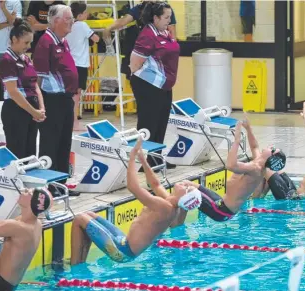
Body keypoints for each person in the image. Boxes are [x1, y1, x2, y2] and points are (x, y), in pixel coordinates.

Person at [70, 138, 201, 265]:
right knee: (90, 215)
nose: (184, 184)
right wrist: (143, 161)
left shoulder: (164, 207)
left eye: (186, 188)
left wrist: (131, 158)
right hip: (122, 242)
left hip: (122, 251)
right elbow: (155, 184)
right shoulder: (171, 203)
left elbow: (133, 187)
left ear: (183, 197)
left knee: (79, 219)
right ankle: (81, 262)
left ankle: (74, 271)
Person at [184, 118, 287, 222]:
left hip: (221, 210)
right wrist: (248, 128)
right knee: (188, 184)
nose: (271, 147)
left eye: (272, 150)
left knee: (183, 189)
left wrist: (237, 140)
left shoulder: (255, 168)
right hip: (221, 203)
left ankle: (174, 224)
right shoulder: (260, 163)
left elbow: (230, 165)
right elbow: (254, 146)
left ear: (271, 158)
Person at [129, 1, 179, 169]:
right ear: (155, 18)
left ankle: (155, 158)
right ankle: (144, 161)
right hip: (148, 86)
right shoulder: (147, 35)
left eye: (170, 17)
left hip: (163, 86)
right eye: (166, 17)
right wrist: (149, 77)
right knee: (149, 123)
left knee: (161, 122)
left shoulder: (164, 32)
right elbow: (134, 64)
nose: (169, 20)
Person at [33, 5, 78, 187]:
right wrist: (41, 106)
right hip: (52, 100)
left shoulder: (62, 41)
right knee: (51, 142)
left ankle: (61, 183)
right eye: (68, 19)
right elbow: (38, 79)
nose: (72, 22)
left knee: (64, 141)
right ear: (56, 21)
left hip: (65, 99)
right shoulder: (46, 42)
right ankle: (50, 184)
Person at [0, 19, 46, 159]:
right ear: (14, 39)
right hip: (16, 110)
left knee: (30, 154)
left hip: (32, 111)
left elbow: (35, 84)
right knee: (17, 155)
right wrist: (34, 111)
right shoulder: (7, 60)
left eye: (30, 42)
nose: (29, 46)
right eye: (26, 42)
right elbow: (13, 91)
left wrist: (41, 109)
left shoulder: (26, 58)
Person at [103, 0, 177, 79]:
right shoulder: (139, 8)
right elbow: (123, 21)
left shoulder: (165, 9)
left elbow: (172, 32)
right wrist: (109, 28)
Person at [0, 188, 53, 291]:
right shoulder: (36, 224)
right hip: (9, 284)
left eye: (28, 192)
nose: (23, 190)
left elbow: (7, 226)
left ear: (33, 202)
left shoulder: (19, 227)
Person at [65, 2, 99, 131]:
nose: (87, 14)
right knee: (76, 96)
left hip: (68, 63)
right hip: (79, 64)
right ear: (79, 15)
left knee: (68, 94)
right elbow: (96, 38)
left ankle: (70, 121)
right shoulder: (82, 25)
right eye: (85, 12)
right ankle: (74, 123)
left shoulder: (67, 25)